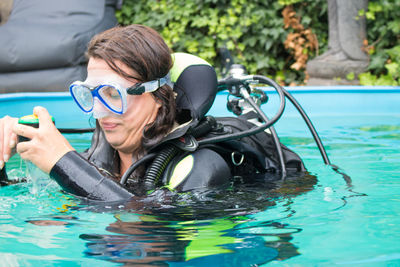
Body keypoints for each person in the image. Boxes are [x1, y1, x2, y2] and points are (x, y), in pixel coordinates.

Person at [0, 24, 306, 202]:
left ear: (159, 97)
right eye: (91, 94)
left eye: (113, 93)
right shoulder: (102, 151)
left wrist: (62, 162)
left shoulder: (202, 167)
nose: (99, 110)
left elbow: (150, 233)